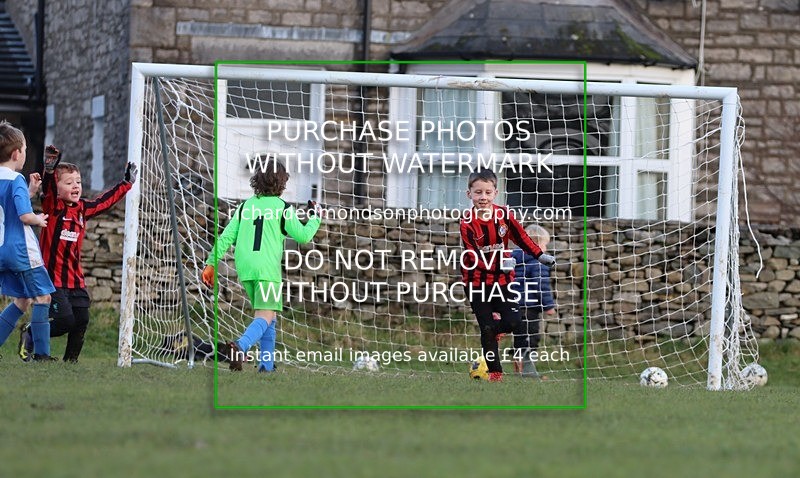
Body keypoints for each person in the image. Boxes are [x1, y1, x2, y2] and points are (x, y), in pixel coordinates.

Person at [18, 144, 135, 362]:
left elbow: (104, 201)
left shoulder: (82, 208)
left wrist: (125, 184)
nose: (75, 186)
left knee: (81, 320)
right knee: (65, 320)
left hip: (76, 280)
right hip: (52, 279)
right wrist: (50, 170)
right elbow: (50, 190)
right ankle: (31, 332)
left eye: (78, 182)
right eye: (69, 182)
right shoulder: (53, 206)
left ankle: (70, 362)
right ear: (58, 187)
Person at [202, 161, 321, 373]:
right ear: (283, 184)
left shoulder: (245, 207)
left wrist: (211, 263)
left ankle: (266, 366)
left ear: (257, 180)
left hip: (246, 269)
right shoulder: (283, 208)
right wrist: (315, 217)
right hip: (267, 269)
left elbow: (226, 237)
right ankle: (241, 346)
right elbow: (304, 236)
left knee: (269, 316)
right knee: (265, 315)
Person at [460, 169, 555, 382]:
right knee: (485, 326)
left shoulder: (504, 215)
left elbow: (521, 237)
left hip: (503, 281)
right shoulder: (467, 222)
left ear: (495, 193)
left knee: (513, 322)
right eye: (478, 193)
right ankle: (495, 373)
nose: (482, 197)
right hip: (477, 282)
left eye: (487, 192)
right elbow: (473, 254)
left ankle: (495, 330)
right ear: (470, 195)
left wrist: (539, 255)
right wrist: (498, 263)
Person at [0, 120, 56, 361]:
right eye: (24, 150)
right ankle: (42, 355)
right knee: (43, 297)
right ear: (16, 153)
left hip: (1, 249)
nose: (25, 154)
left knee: (21, 300)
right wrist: (39, 219)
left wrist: (30, 192)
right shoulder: (16, 180)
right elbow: (23, 215)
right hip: (20, 249)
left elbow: (10, 207)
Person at [510, 224, 556, 378]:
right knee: (531, 337)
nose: (545, 249)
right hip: (529, 308)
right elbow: (541, 285)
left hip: (514, 305)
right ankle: (527, 369)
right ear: (535, 244)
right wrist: (549, 306)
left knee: (520, 337)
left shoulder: (513, 259)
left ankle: (519, 368)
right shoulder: (538, 262)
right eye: (544, 245)